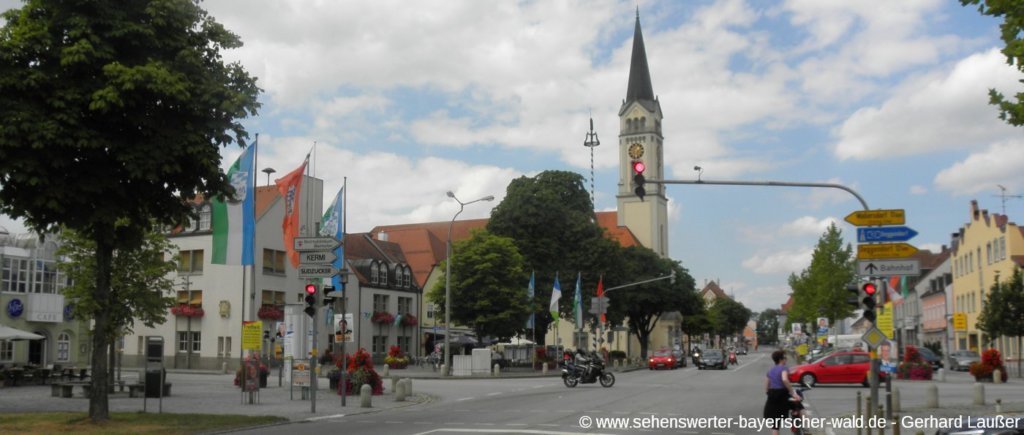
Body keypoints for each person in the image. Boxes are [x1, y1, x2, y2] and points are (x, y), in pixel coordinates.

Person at [763, 350, 802, 435]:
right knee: (799, 406)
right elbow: (784, 379)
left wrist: (769, 393)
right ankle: (802, 426)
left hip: (772, 396)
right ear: (781, 359)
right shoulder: (784, 368)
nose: (786, 359)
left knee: (775, 425)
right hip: (782, 394)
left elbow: (766, 386)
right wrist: (793, 393)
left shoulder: (770, 370)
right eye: (785, 358)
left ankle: (794, 422)